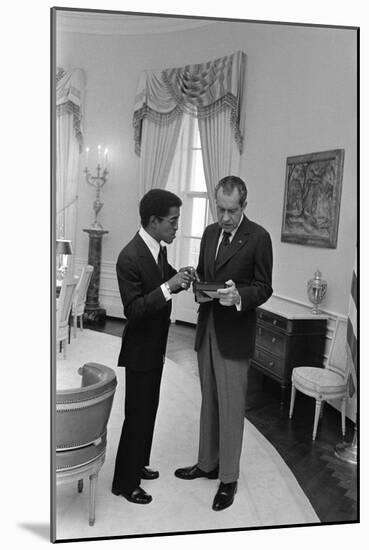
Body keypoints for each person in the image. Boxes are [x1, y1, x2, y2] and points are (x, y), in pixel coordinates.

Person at [175, 176, 273, 511]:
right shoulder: (210, 233)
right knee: (209, 401)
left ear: (244, 206)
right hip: (208, 328)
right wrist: (196, 280)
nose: (226, 217)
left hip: (235, 333)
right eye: (221, 209)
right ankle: (207, 463)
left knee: (231, 408)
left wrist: (239, 296)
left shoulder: (259, 237)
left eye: (232, 210)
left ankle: (228, 478)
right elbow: (206, 272)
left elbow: (264, 287)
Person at [112, 188, 195, 505]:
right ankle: (125, 483)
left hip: (156, 346)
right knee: (137, 414)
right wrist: (168, 287)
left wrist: (180, 276)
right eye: (173, 222)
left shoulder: (157, 248)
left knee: (149, 411)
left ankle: (138, 464)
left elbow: (162, 277)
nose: (176, 227)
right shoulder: (128, 256)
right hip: (139, 350)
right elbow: (133, 309)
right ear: (154, 221)